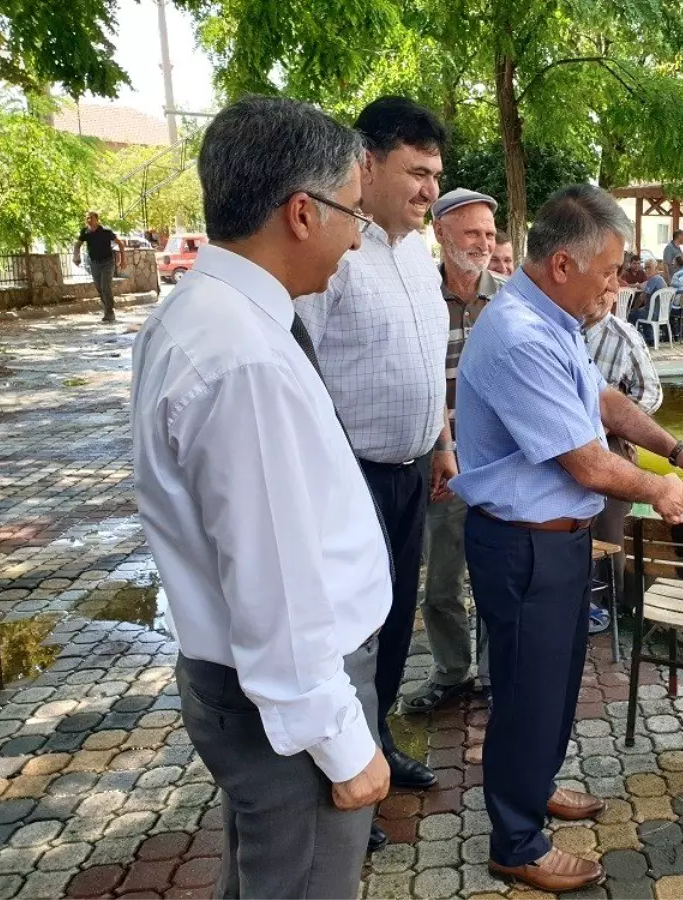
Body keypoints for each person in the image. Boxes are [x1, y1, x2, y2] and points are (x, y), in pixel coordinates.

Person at [131, 96, 390, 900]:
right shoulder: (245, 359)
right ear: (302, 213)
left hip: (247, 689)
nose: (359, 236)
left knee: (260, 877)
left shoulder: (198, 319)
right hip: (292, 708)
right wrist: (346, 747)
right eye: (354, 212)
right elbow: (276, 584)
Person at [451, 184, 683, 893]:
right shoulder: (517, 333)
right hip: (523, 544)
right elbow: (584, 459)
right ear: (564, 265)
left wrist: (674, 448)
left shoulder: (555, 321)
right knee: (524, 691)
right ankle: (515, 841)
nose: (618, 283)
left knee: (552, 682)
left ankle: (533, 784)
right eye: (609, 270)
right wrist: (661, 490)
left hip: (560, 541)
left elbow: (602, 401)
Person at [298, 96, 449, 848]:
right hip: (350, 477)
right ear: (369, 163)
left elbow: (426, 362)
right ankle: (341, 777)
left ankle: (379, 743)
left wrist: (441, 443)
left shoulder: (417, 251)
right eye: (417, 173)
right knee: (347, 630)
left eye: (435, 175)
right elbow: (301, 368)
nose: (429, 190)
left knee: (393, 622)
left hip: (411, 471)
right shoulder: (337, 253)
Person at [403, 189, 505, 714]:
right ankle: (450, 672)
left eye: (490, 233)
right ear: (441, 233)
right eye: (472, 233)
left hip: (498, 466)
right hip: (441, 461)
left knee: (495, 574)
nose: (484, 243)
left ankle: (493, 674)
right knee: (442, 579)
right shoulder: (418, 296)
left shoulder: (509, 299)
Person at [584, 286, 663, 630]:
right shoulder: (562, 326)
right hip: (566, 444)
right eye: (593, 286)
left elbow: (651, 394)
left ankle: (612, 605)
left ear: (614, 295)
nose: (596, 295)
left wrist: (612, 418)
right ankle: (581, 599)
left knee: (610, 527)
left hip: (608, 442)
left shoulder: (625, 338)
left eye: (606, 290)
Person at [73, 211, 126, 324]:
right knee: (99, 288)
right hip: (94, 264)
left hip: (108, 263)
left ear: (96, 219)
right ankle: (107, 310)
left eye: (91, 218)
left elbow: (120, 244)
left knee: (105, 286)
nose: (89, 220)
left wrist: (123, 260)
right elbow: (78, 244)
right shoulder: (85, 232)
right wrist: (76, 257)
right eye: (87, 218)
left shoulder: (106, 232)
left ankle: (109, 313)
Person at [627, 259, 667, 326]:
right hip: (663, 313)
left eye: (649, 267)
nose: (647, 270)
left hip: (652, 314)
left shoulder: (653, 279)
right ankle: (648, 335)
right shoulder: (661, 279)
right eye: (645, 268)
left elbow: (641, 298)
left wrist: (633, 309)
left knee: (629, 315)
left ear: (656, 268)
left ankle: (638, 336)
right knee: (642, 311)